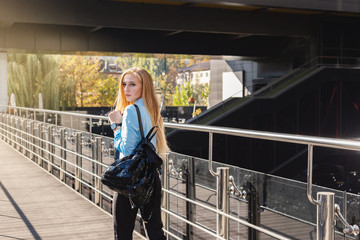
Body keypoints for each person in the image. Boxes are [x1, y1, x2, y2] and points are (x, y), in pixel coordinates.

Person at [108, 67, 168, 240]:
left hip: (129, 179)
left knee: (123, 232)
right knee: (155, 230)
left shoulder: (130, 111)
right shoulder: (153, 109)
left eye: (132, 84)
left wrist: (116, 126)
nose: (126, 89)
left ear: (144, 86)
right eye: (124, 84)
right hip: (151, 176)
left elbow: (126, 149)